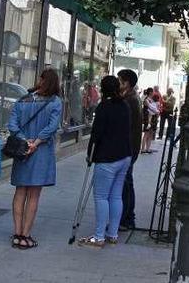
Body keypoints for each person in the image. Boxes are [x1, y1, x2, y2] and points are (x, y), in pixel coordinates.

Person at [9, 68, 62, 249]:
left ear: (41, 79)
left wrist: (25, 141)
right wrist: (36, 142)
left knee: (20, 192)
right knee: (33, 195)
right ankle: (26, 234)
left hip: (22, 151)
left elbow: (12, 124)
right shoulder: (55, 102)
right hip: (41, 152)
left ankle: (16, 233)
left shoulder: (22, 100)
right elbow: (52, 126)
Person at [78, 76, 133, 248]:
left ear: (103, 89)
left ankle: (99, 236)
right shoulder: (124, 105)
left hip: (107, 157)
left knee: (101, 196)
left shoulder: (104, 107)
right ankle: (113, 234)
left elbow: (96, 134)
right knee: (116, 195)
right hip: (124, 155)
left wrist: (90, 155)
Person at [117, 69, 141, 231]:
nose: (118, 84)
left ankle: (126, 218)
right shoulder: (132, 98)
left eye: (119, 81)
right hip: (130, 148)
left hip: (127, 149)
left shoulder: (129, 100)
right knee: (127, 182)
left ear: (126, 83)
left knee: (125, 184)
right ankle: (128, 217)